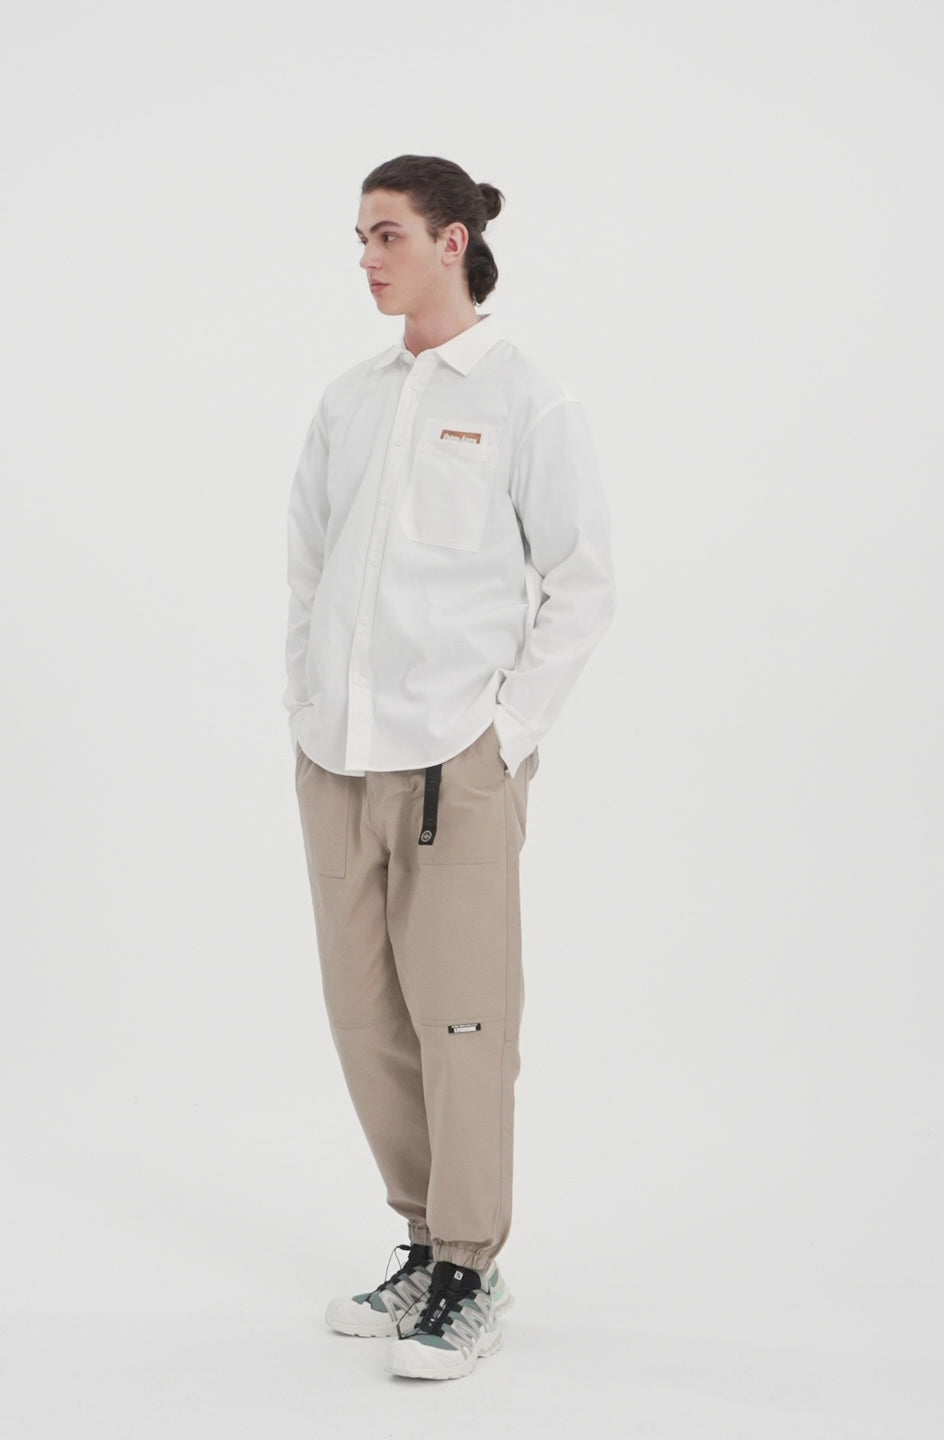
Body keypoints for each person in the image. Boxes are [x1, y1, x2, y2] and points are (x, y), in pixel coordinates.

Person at [282, 154, 616, 1381]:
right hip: (339, 760)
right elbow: (308, 566)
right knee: (365, 1016)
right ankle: (422, 1243)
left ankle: (472, 1265)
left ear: (453, 241)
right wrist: (307, 704)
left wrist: (503, 738)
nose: (367, 258)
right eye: (360, 237)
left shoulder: (529, 398)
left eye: (388, 234)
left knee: (464, 1023)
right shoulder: (351, 400)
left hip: (453, 767)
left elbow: (582, 581)